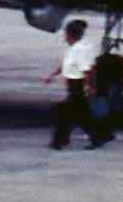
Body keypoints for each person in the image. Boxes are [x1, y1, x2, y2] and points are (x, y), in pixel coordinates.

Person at [44, 19, 113, 150]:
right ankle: (101, 135)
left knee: (65, 113)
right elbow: (66, 64)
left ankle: (59, 140)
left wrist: (89, 86)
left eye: (66, 35)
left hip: (78, 86)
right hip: (73, 85)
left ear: (70, 35)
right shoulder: (74, 49)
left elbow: (87, 70)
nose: (64, 37)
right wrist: (52, 75)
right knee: (82, 115)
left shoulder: (80, 50)